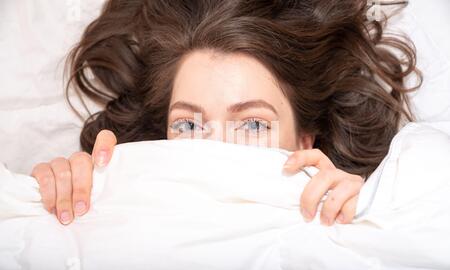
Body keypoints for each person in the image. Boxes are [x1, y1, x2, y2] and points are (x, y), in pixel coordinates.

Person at [30, 0, 421, 226]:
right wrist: (56, 201)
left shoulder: (360, 219)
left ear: (305, 140)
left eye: (253, 124)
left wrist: (372, 216)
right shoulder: (111, 207)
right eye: (188, 124)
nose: (215, 149)